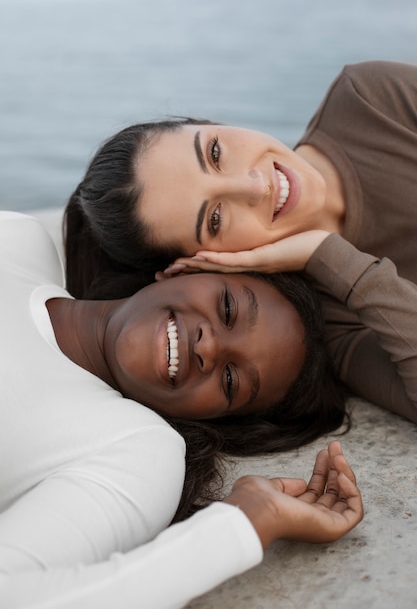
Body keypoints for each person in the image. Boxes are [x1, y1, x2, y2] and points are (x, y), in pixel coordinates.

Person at [0, 211, 363, 608]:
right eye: (227, 309)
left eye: (230, 381)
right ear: (184, 271)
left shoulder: (135, 450)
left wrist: (247, 521)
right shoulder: (20, 241)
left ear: (209, 417)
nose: (208, 348)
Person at [64, 59, 417, 423]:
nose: (255, 186)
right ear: (199, 265)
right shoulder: (330, 319)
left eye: (215, 153)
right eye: (215, 219)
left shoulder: (370, 100)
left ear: (208, 124)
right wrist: (332, 258)